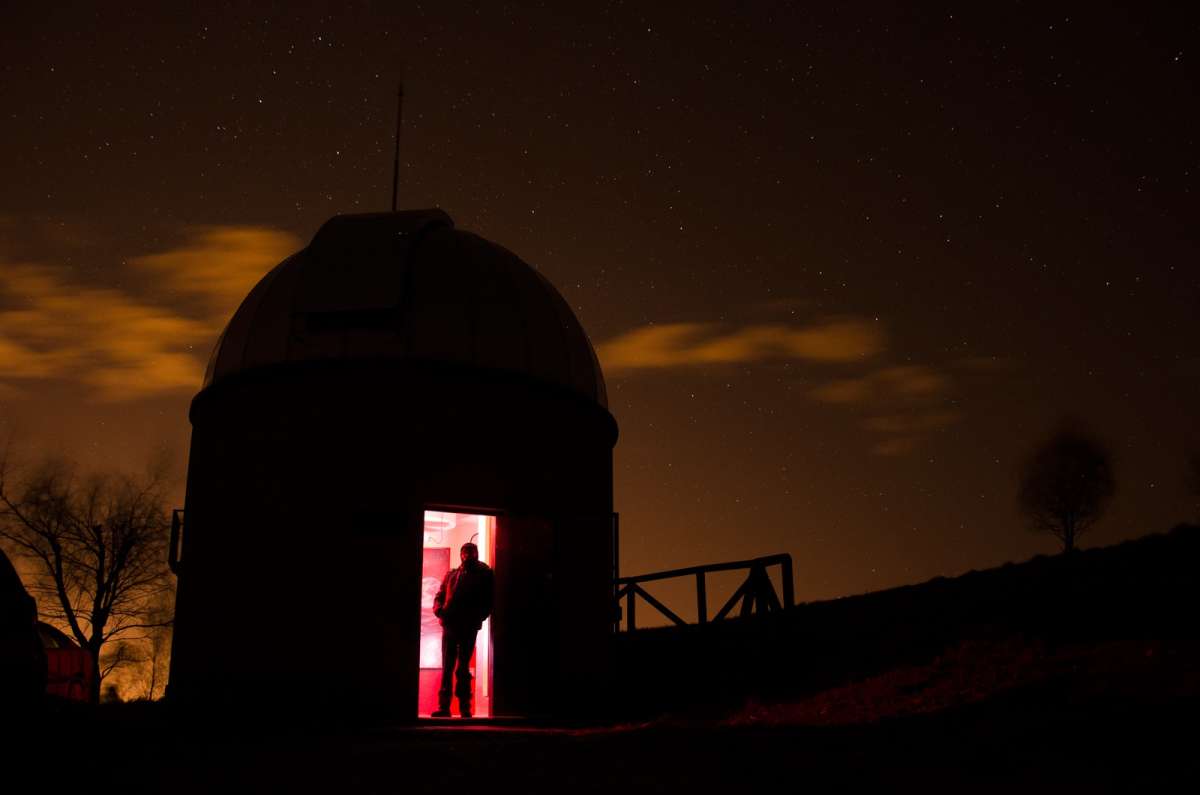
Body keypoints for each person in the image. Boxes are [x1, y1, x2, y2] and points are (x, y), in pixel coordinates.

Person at [432, 542, 494, 718]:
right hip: (450, 624)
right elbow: (440, 594)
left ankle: (464, 706)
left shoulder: (483, 574)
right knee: (447, 668)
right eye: (465, 552)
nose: (467, 555)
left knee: (462, 668)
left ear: (476, 553)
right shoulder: (452, 574)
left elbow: (488, 600)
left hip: (467, 625)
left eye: (470, 552)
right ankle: (445, 707)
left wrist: (477, 617)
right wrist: (439, 610)